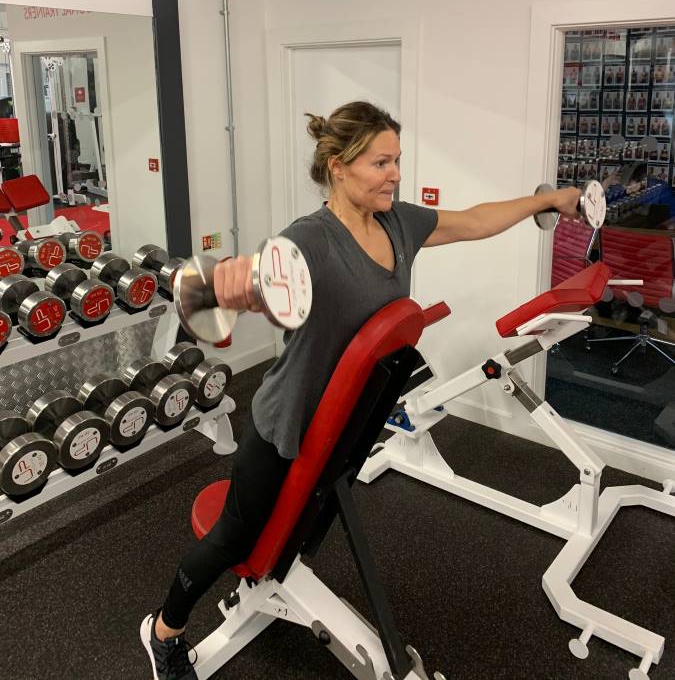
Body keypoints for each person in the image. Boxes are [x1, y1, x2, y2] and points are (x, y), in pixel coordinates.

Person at [141, 100, 581, 679]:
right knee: (234, 538)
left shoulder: (399, 223)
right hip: (287, 420)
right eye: (380, 163)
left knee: (301, 521)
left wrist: (545, 202)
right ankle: (164, 630)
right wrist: (226, 285)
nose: (395, 174)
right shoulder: (308, 240)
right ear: (338, 167)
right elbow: (241, 286)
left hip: (343, 421)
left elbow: (475, 221)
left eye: (397, 160)